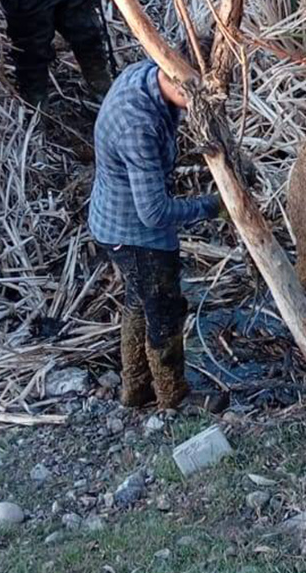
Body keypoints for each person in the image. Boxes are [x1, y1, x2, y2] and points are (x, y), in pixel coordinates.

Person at [89, 53, 222, 409]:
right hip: (133, 234)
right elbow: (154, 212)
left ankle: (134, 390)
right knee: (164, 310)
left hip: (113, 219)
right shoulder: (137, 124)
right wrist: (211, 206)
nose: (203, 105)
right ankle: (173, 395)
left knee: (139, 301)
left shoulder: (146, 75)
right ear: (177, 79)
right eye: (200, 96)